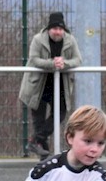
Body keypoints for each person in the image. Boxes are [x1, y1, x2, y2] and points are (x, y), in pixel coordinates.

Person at [19, 11, 82, 161]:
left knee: (60, 113)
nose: (57, 32)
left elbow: (77, 60)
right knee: (38, 119)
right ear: (49, 29)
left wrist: (64, 63)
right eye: (54, 28)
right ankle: (44, 157)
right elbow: (34, 60)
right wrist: (52, 64)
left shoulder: (70, 40)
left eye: (60, 29)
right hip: (38, 85)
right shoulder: (38, 39)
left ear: (63, 30)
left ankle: (36, 141)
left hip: (60, 84)